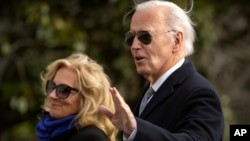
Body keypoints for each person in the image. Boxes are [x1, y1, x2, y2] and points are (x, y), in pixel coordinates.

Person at [99, 0, 224, 141]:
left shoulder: (199, 92)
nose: (134, 45)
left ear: (176, 41)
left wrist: (135, 128)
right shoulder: (152, 90)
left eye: (145, 36)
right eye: (131, 38)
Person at [36, 53, 117, 141]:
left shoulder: (91, 138)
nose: (52, 95)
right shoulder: (51, 132)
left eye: (64, 90)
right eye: (52, 86)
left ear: (87, 99)